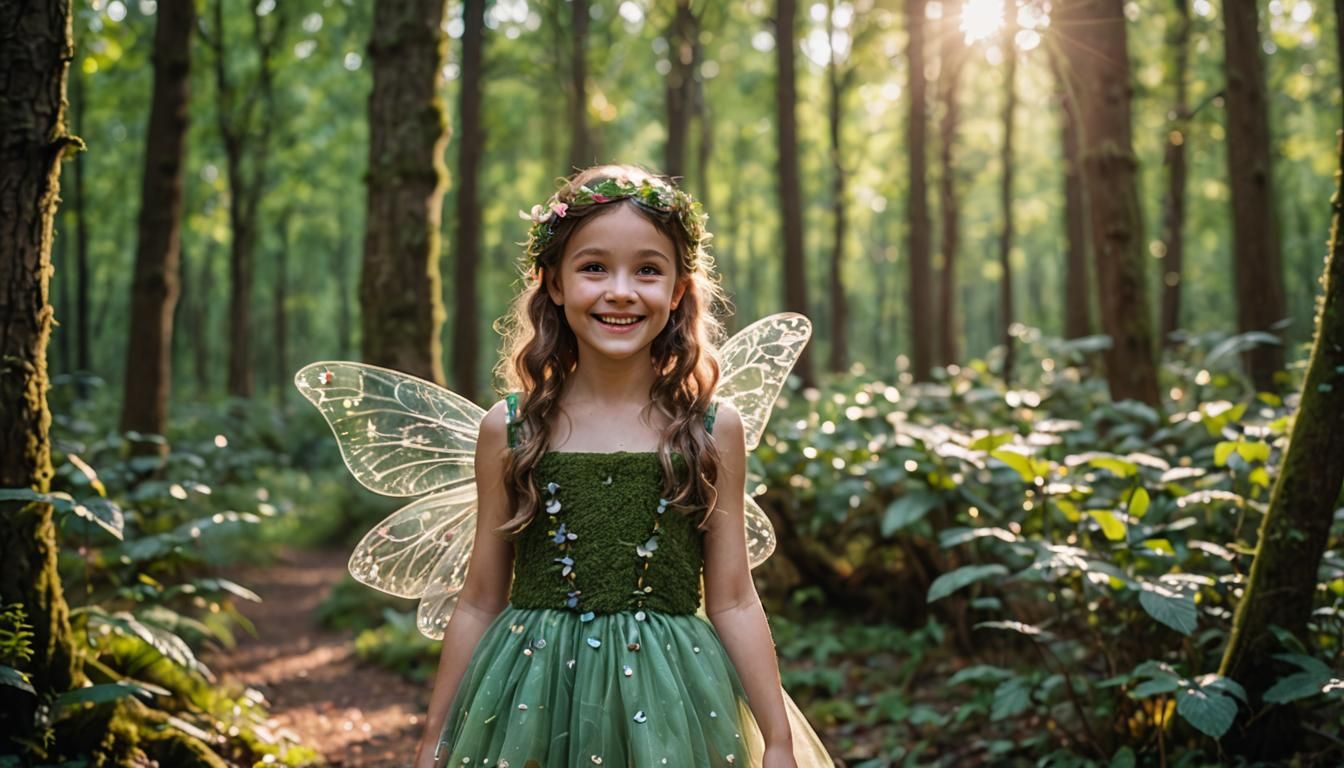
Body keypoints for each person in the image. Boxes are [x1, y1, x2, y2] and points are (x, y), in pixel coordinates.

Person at [409, 164, 834, 767]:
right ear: (553, 284)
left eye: (648, 270)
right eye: (593, 267)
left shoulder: (711, 429)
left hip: (674, 694)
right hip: (535, 694)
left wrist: (779, 739)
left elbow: (734, 598)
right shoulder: (510, 429)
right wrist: (435, 739)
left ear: (679, 291)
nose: (621, 291)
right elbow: (479, 599)